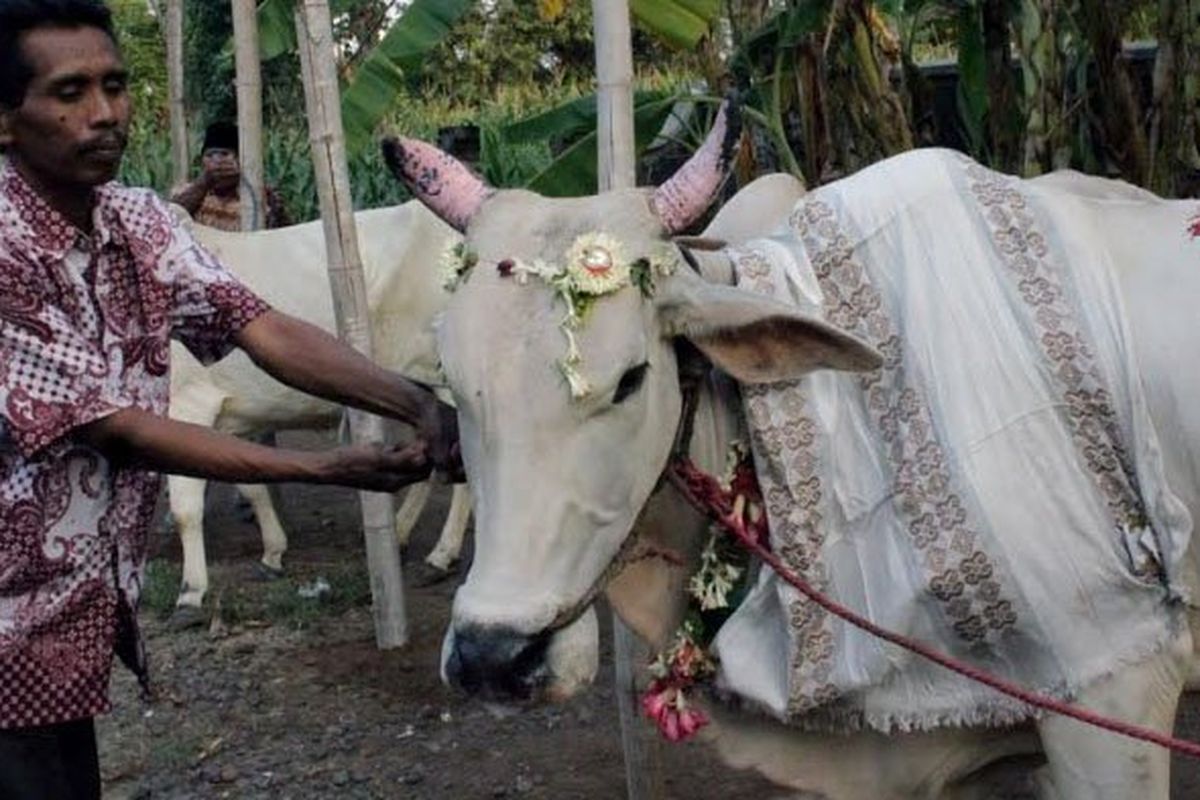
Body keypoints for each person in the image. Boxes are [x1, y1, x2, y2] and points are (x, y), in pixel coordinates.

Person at [0, 2, 459, 797]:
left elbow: (259, 324)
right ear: (6, 122)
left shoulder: (140, 220)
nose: (105, 113)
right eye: (69, 92)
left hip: (64, 613)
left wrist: (415, 402)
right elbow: (122, 431)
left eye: (115, 84)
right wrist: (326, 468)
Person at [169, 120, 291, 230]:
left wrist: (277, 212)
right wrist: (205, 182)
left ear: (239, 159)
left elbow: (279, 239)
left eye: (224, 154)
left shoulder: (257, 197)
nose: (217, 161)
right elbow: (167, 221)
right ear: (201, 161)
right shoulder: (186, 192)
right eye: (209, 155)